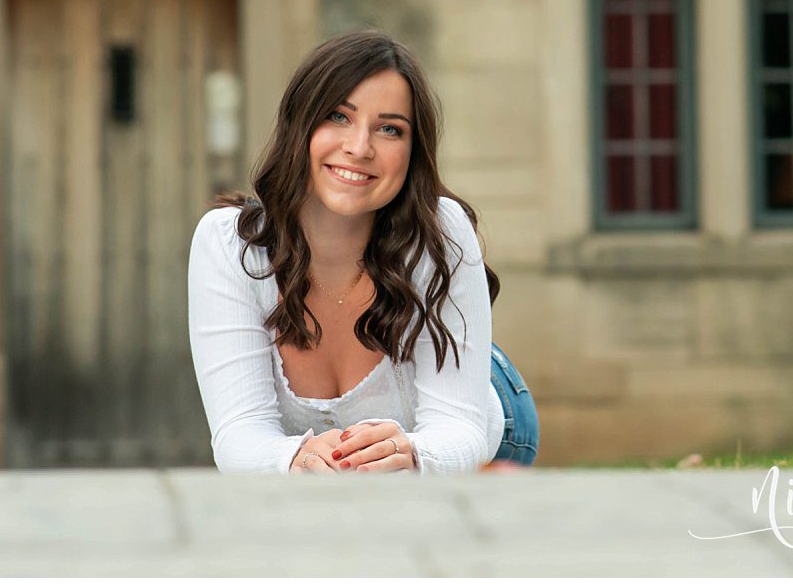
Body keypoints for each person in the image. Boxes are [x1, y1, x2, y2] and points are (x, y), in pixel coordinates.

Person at [188, 31, 538, 473]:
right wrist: (292, 458)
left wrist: (415, 454)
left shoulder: (440, 231)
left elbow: (460, 426)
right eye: (338, 117)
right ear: (301, 125)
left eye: (389, 128)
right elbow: (239, 434)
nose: (359, 148)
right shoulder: (228, 244)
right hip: (346, 467)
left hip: (481, 425)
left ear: (413, 151)